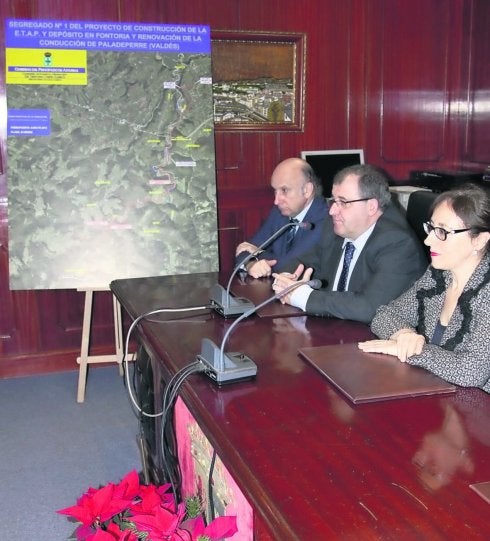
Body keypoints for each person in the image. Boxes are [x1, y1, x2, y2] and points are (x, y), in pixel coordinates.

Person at [358, 184, 490, 393]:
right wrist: (404, 335)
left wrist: (414, 351)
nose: (428, 240)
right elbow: (384, 315)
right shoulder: (438, 275)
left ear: (480, 240)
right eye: (431, 228)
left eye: (442, 232)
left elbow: (472, 370)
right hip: (437, 393)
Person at [271, 164, 427, 323]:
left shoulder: (397, 244)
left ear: (371, 206)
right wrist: (286, 280)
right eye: (333, 201)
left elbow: (371, 308)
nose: (332, 211)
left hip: (378, 339)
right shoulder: (337, 228)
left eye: (343, 202)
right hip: (334, 331)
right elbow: (305, 261)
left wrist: (303, 297)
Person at [235, 157, 328, 278]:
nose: (276, 201)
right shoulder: (279, 213)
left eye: (284, 190)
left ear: (306, 190)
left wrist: (257, 253)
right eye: (275, 191)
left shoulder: (325, 219)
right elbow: (244, 249)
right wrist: (250, 263)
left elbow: (288, 265)